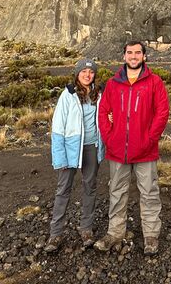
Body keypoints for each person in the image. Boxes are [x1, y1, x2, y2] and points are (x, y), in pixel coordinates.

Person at [94, 41, 169, 255]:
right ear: (124, 56)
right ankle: (115, 233)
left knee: (149, 192)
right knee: (116, 191)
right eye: (129, 53)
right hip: (118, 151)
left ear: (144, 56)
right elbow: (103, 112)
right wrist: (110, 138)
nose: (133, 56)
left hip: (145, 151)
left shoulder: (154, 82)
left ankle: (151, 236)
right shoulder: (113, 84)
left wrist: (149, 139)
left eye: (138, 53)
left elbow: (162, 112)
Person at [46, 58, 105, 252]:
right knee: (63, 189)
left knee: (90, 187)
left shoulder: (99, 94)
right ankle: (55, 234)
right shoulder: (68, 95)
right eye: (83, 72)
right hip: (71, 147)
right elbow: (58, 126)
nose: (88, 75)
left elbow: (106, 116)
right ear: (77, 74)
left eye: (91, 72)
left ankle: (86, 229)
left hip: (91, 147)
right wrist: (59, 156)